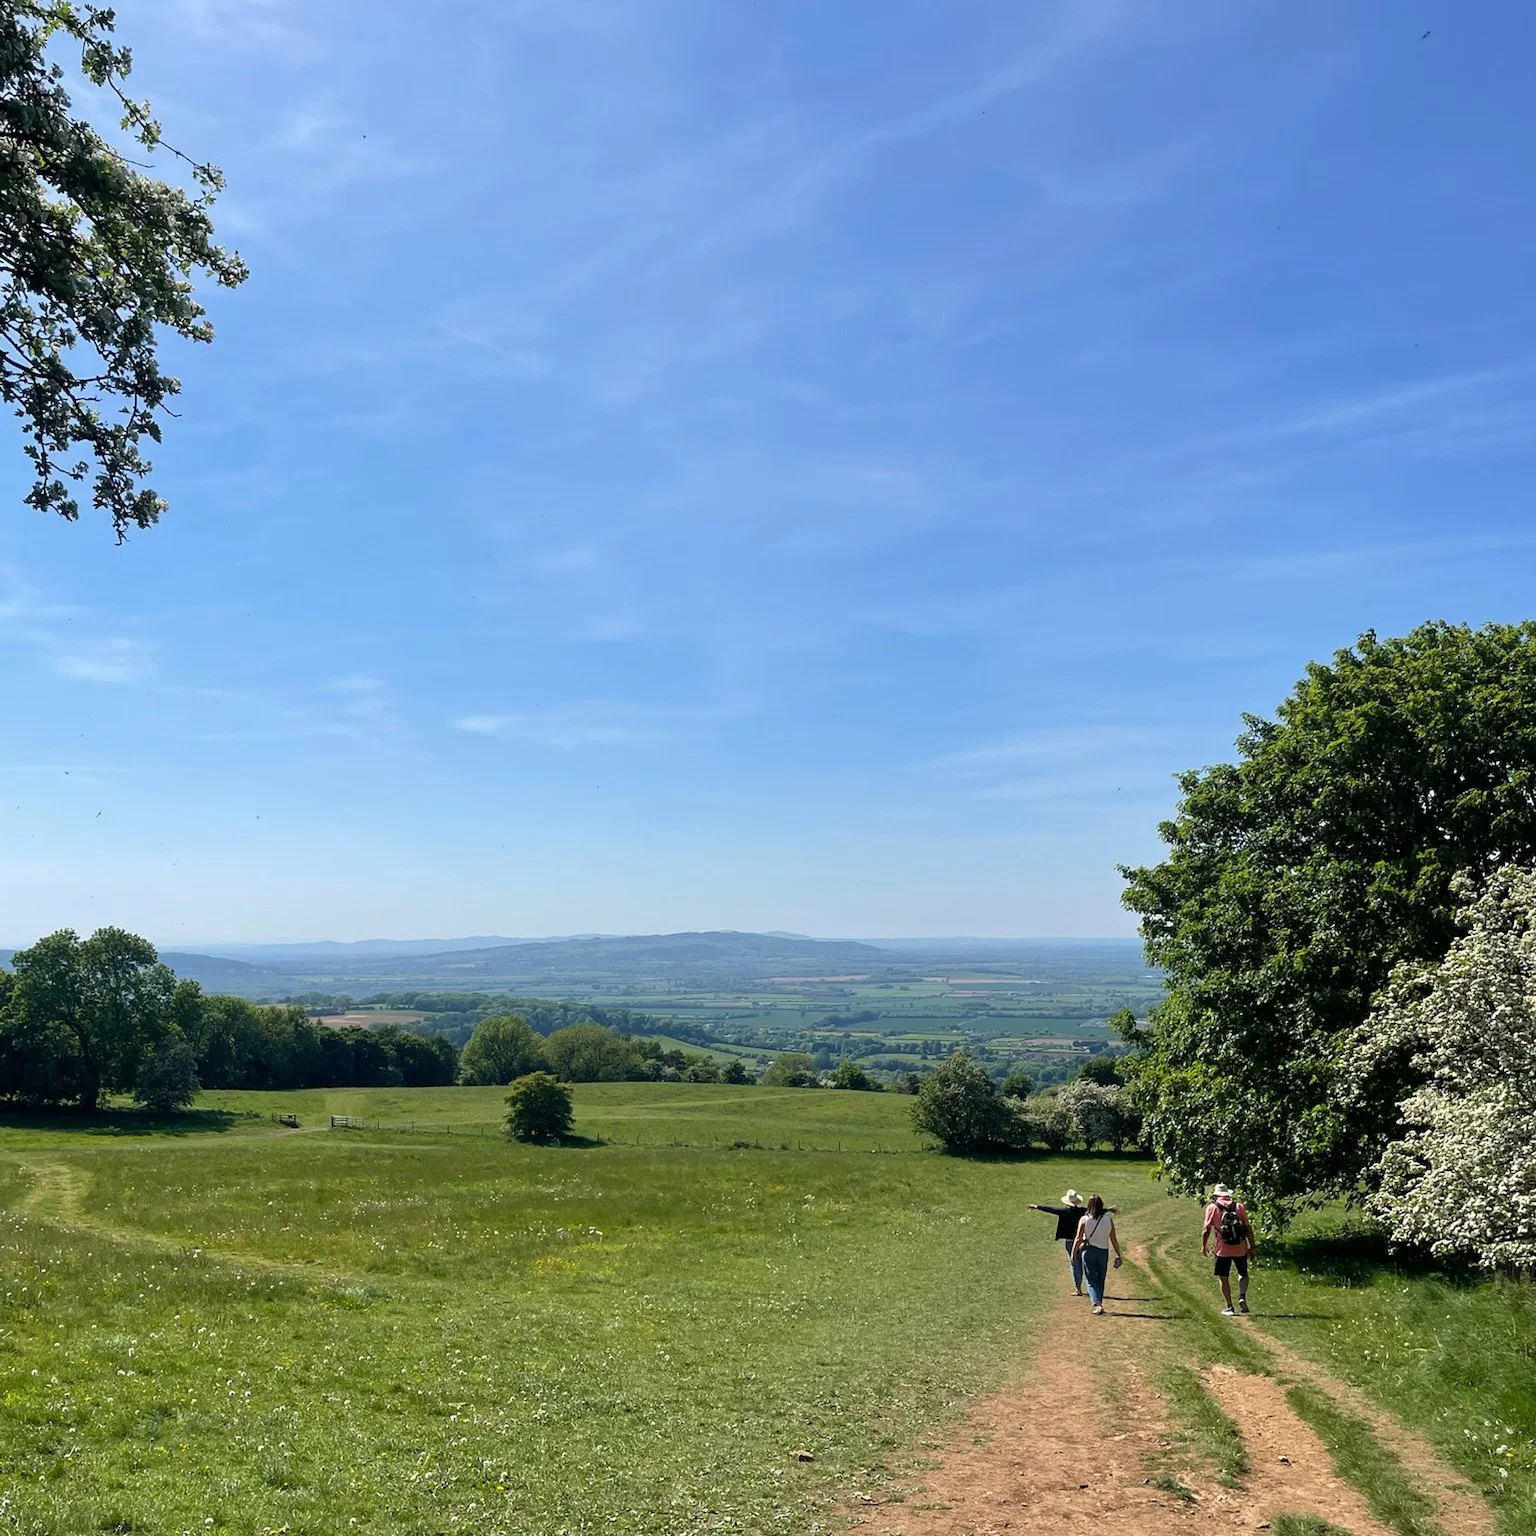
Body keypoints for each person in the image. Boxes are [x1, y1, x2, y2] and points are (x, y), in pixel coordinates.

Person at [1202, 1182, 1255, 1315]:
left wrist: (1204, 1246)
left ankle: (1229, 1306)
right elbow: (1247, 1228)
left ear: (1216, 1196)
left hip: (1222, 1249)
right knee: (1243, 1274)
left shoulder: (1212, 1208)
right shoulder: (1239, 1206)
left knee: (1223, 1277)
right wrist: (1252, 1246)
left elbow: (1206, 1229)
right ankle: (1242, 1296)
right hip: (1240, 1246)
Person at [1071, 1194, 1123, 1315]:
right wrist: (1119, 1254)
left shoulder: (1084, 1220)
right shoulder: (1108, 1220)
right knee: (1101, 1278)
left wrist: (1074, 1253)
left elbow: (1078, 1238)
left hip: (1089, 1251)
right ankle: (1099, 1301)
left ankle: (1097, 1304)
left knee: (1091, 1279)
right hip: (1103, 1252)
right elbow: (1113, 1238)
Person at [1028, 1189, 1087, 1295]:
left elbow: (1051, 1209)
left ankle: (1078, 1289)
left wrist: (1037, 1206)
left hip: (1070, 1241)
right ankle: (1083, 1285)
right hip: (1082, 1240)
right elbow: (1096, 1211)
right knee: (1081, 1262)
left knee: (1074, 1263)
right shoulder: (1083, 1211)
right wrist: (1108, 1210)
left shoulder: (1064, 1211)